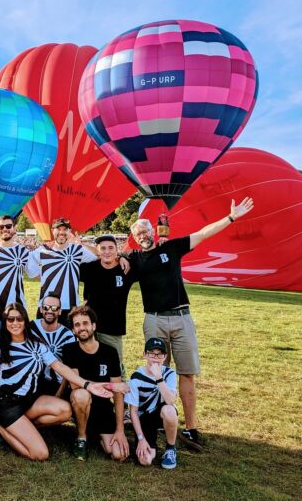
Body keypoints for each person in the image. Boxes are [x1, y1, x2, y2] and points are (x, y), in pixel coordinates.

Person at [126, 197, 254, 451]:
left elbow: (203, 233)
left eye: (145, 231)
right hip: (154, 318)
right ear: (135, 237)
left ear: (153, 230)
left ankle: (191, 427)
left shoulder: (171, 248)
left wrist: (230, 217)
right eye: (138, 234)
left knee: (186, 372)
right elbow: (107, 261)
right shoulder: (135, 259)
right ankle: (161, 416)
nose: (142, 236)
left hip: (181, 316)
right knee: (155, 370)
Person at [0, 303, 129, 461]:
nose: (14, 322)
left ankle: (16, 427)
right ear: (5, 322)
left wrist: (88, 385)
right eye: (10, 319)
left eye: (19, 318)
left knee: (64, 410)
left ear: (25, 320)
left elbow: (61, 368)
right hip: (6, 405)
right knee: (40, 454)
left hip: (29, 400)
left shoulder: (36, 345)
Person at [62, 306, 128, 462]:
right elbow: (76, 386)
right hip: (80, 404)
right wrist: (109, 386)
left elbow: (118, 394)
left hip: (103, 409)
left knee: (119, 454)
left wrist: (120, 429)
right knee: (81, 394)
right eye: (77, 325)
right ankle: (82, 437)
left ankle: (97, 434)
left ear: (94, 326)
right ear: (73, 330)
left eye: (85, 323)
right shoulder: (69, 350)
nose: (82, 328)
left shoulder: (110, 352)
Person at [79, 234, 137, 376]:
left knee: (115, 368)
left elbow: (139, 255)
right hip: (89, 326)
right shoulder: (89, 268)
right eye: (103, 248)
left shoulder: (126, 269)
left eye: (111, 248)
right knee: (89, 365)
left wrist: (123, 256)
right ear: (97, 251)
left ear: (116, 250)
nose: (107, 251)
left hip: (113, 328)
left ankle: (120, 398)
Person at [26, 218, 97, 327]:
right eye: (58, 229)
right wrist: (42, 276)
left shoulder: (77, 249)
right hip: (47, 305)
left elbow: (99, 255)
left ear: (69, 231)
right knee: (44, 339)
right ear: (52, 230)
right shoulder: (43, 250)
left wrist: (81, 243)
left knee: (69, 341)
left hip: (71, 306)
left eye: (65, 229)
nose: (61, 232)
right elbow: (29, 267)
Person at [125, 338, 179, 469]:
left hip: (161, 414)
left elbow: (170, 400)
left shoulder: (169, 373)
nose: (156, 358)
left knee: (169, 410)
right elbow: (133, 412)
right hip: (144, 419)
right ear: (144, 354)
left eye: (160, 354)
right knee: (146, 460)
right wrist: (141, 438)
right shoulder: (136, 378)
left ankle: (170, 448)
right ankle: (147, 440)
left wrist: (159, 378)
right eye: (152, 354)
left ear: (165, 356)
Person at [30, 292, 75, 397]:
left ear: (60, 311)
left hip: (57, 384)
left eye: (54, 308)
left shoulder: (67, 336)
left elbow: (70, 368)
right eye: (46, 307)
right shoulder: (31, 328)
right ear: (41, 310)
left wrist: (58, 394)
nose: (49, 311)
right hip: (33, 382)